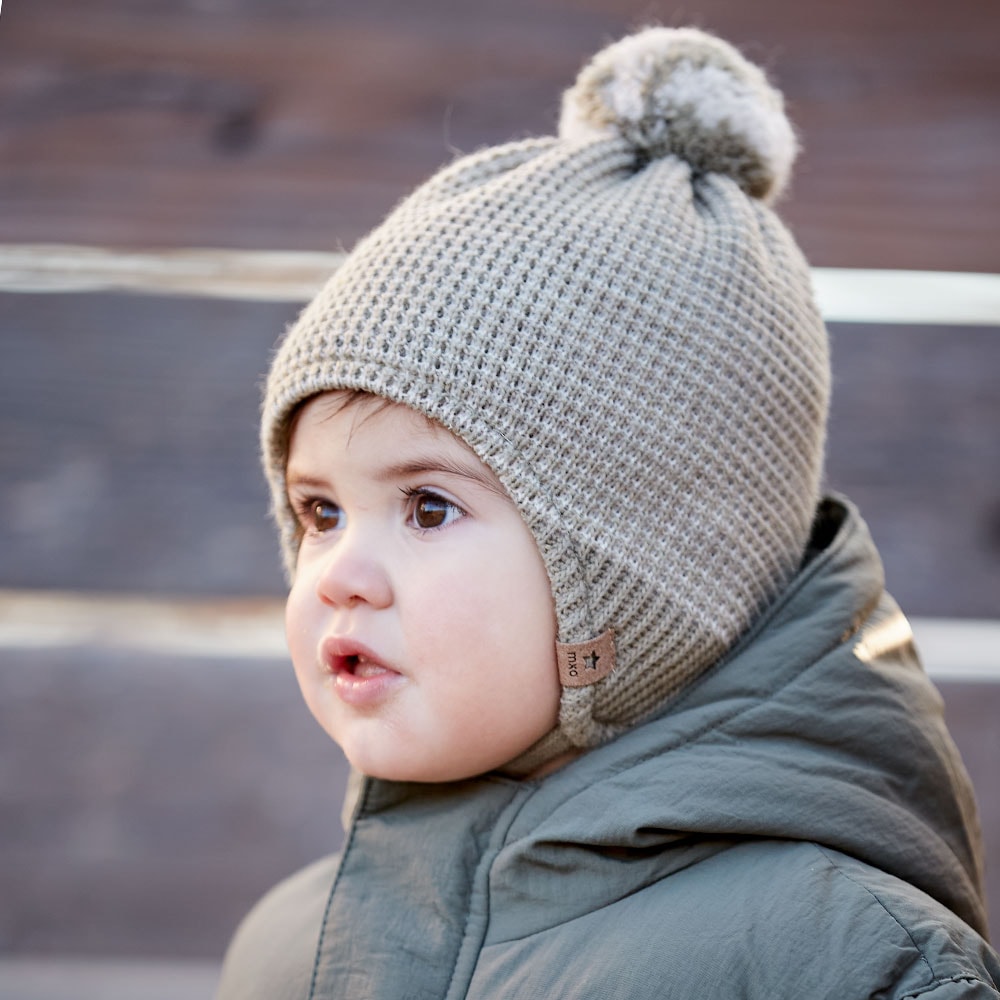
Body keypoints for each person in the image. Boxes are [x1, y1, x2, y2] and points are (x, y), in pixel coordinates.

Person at [216, 26, 1000, 999]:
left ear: (647, 574)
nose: (334, 570)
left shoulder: (843, 961)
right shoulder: (290, 951)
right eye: (320, 511)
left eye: (426, 506)